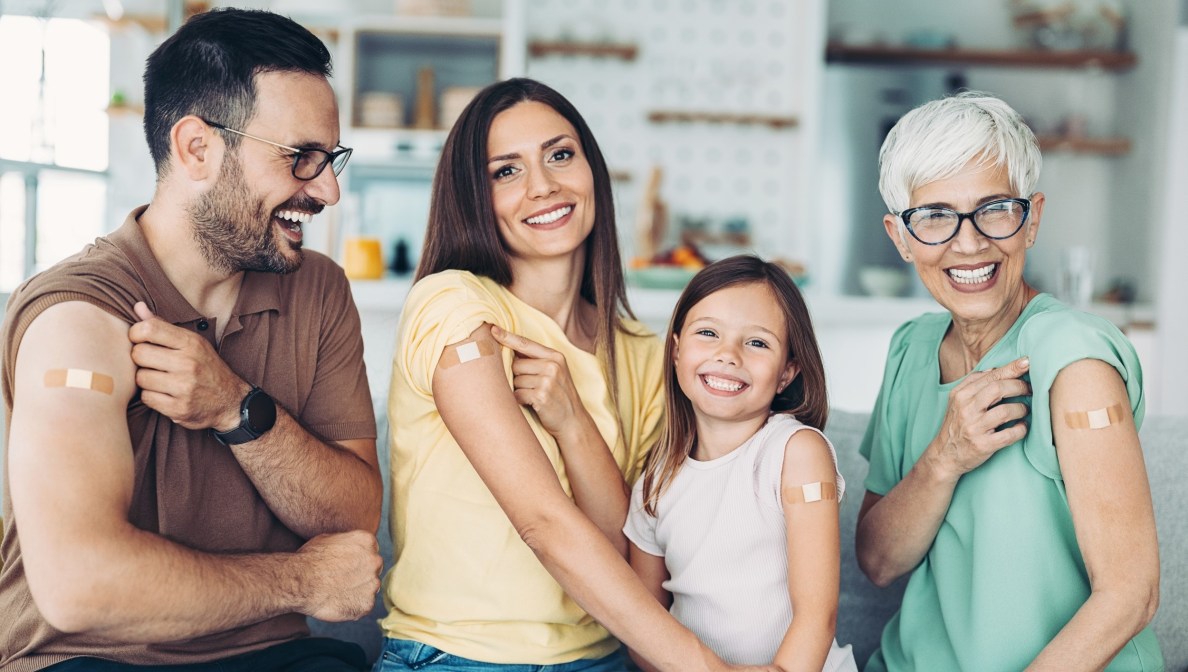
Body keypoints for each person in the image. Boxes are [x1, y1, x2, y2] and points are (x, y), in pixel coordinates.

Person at [0, 8, 383, 672]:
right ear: (197, 149)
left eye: (330, 159)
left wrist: (238, 410)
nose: (328, 190)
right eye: (302, 158)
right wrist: (300, 582)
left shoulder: (317, 289)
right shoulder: (78, 318)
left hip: (274, 654)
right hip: (86, 659)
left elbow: (353, 519)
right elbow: (78, 585)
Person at [379, 78, 778, 672]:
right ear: (473, 197)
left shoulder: (644, 354)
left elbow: (628, 553)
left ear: (592, 171)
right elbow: (542, 522)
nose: (543, 186)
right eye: (505, 172)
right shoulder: (456, 308)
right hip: (456, 657)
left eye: (560, 155)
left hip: (599, 659)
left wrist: (573, 423)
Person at [856, 91, 1162, 671]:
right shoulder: (910, 350)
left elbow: (1130, 595)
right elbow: (878, 562)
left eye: (994, 208)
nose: (969, 242)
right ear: (900, 236)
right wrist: (943, 458)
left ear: (1032, 220)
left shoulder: (1077, 363)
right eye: (935, 216)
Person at [624, 255, 859, 672]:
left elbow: (816, 617)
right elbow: (645, 629)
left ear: (787, 373)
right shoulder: (654, 482)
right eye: (708, 333)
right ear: (676, 351)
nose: (728, 355)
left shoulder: (798, 453)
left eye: (757, 342)